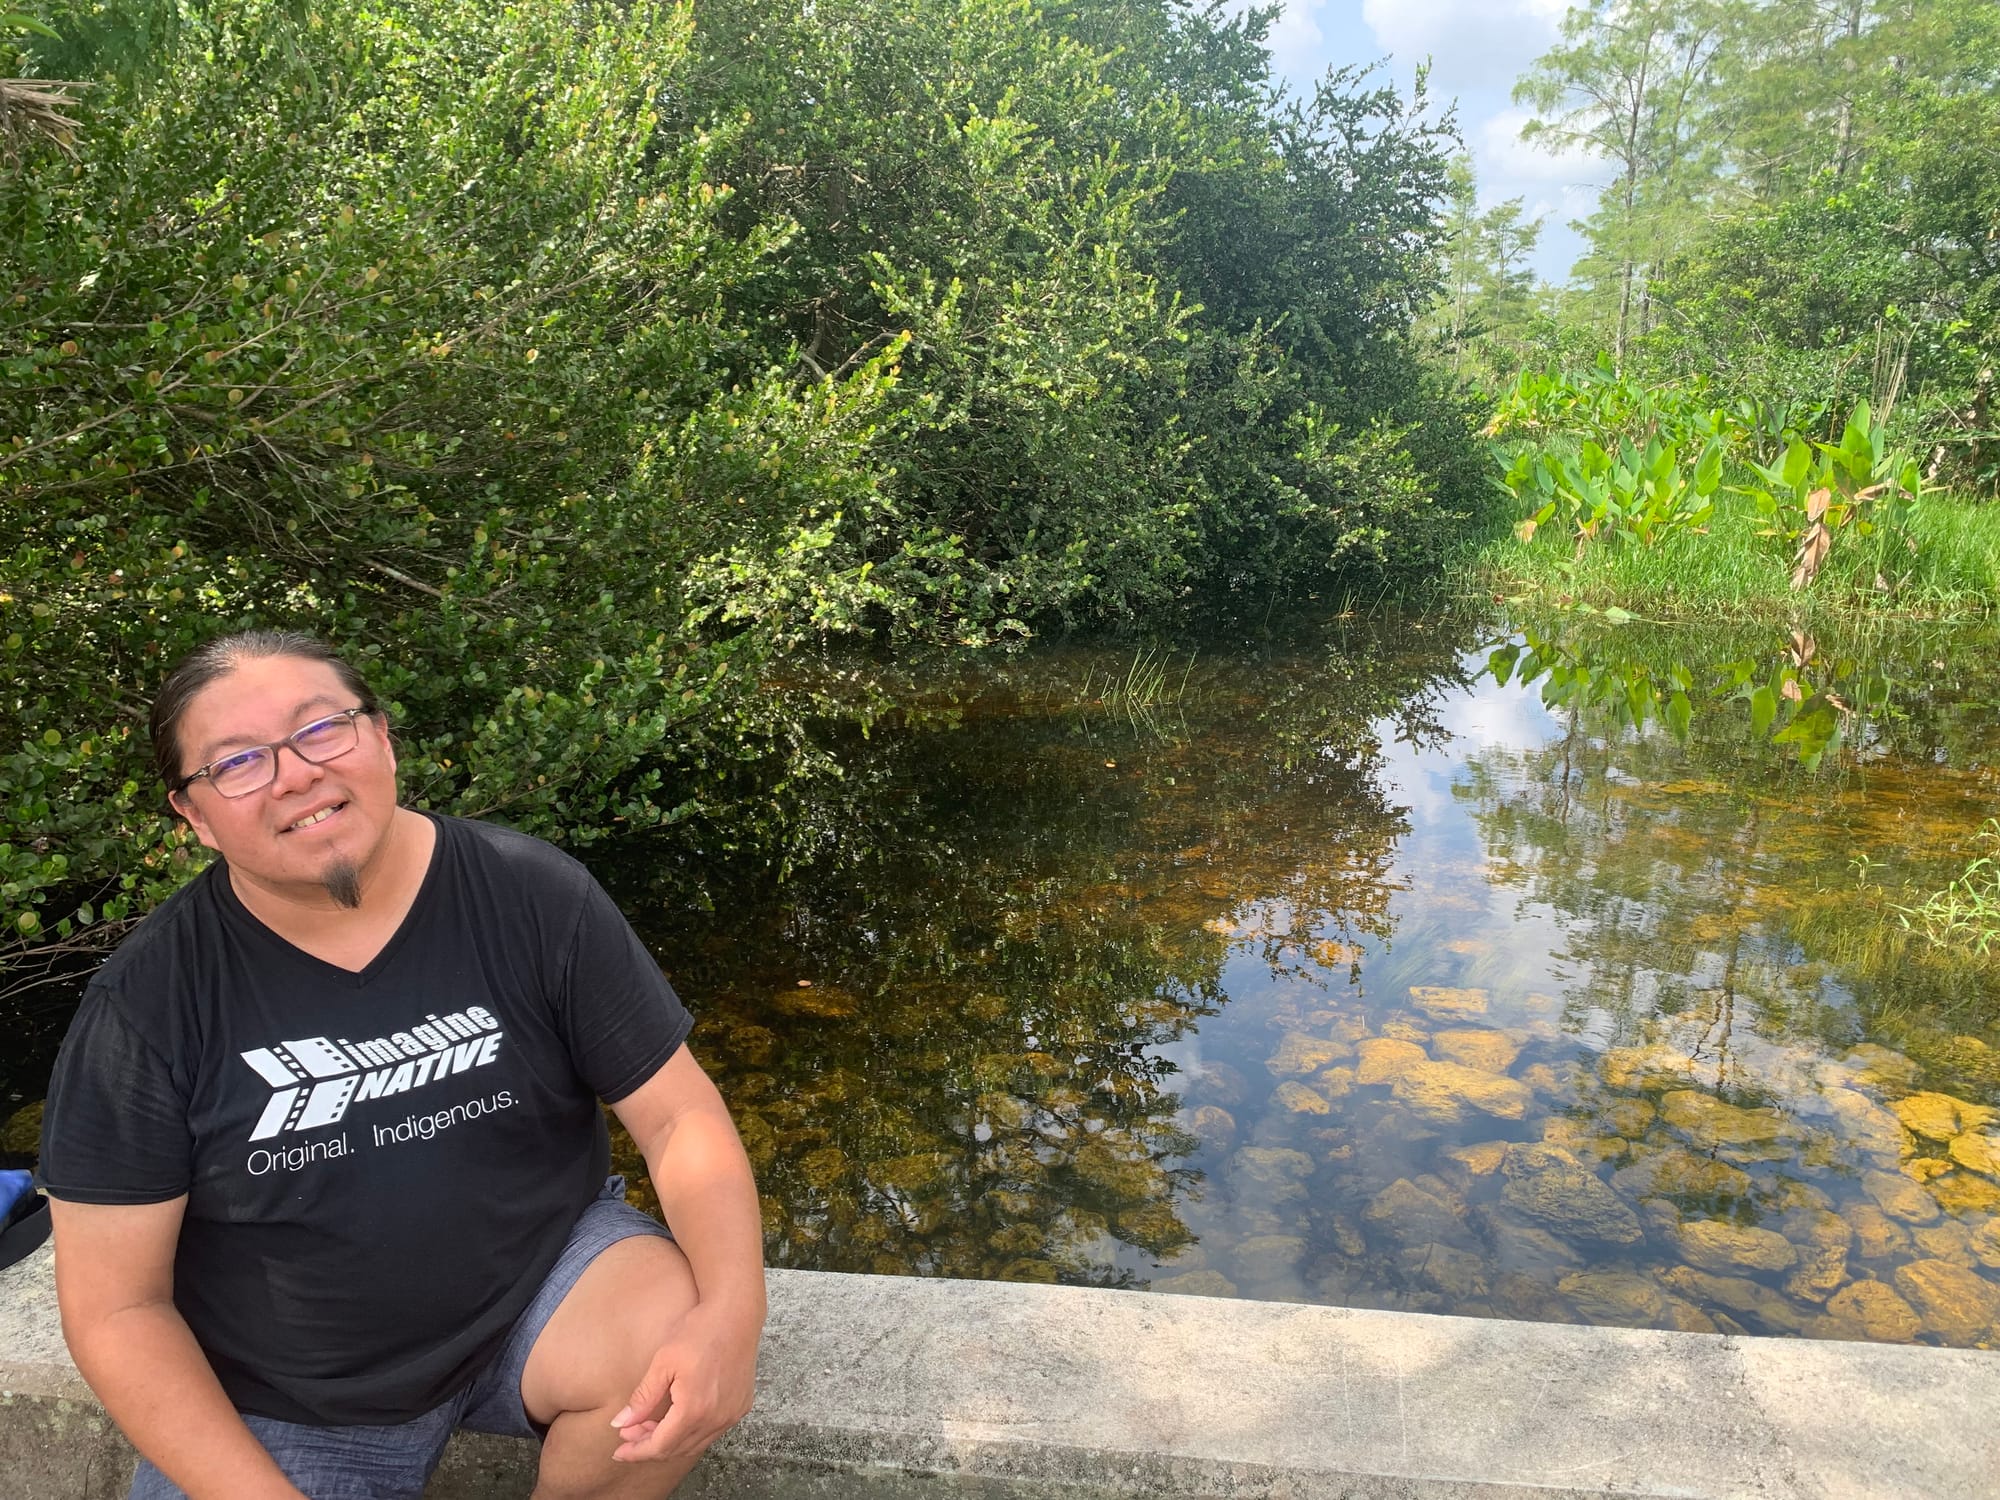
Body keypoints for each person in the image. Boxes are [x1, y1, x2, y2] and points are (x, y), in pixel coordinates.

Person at [37, 630, 765, 1500]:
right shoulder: (147, 1004)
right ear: (192, 817)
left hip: (536, 1293)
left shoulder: (531, 891)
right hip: (287, 1398)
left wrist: (731, 1319)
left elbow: (679, 1118)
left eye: (322, 729)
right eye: (238, 763)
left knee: (671, 1334)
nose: (298, 773)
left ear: (382, 739)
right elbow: (117, 1308)